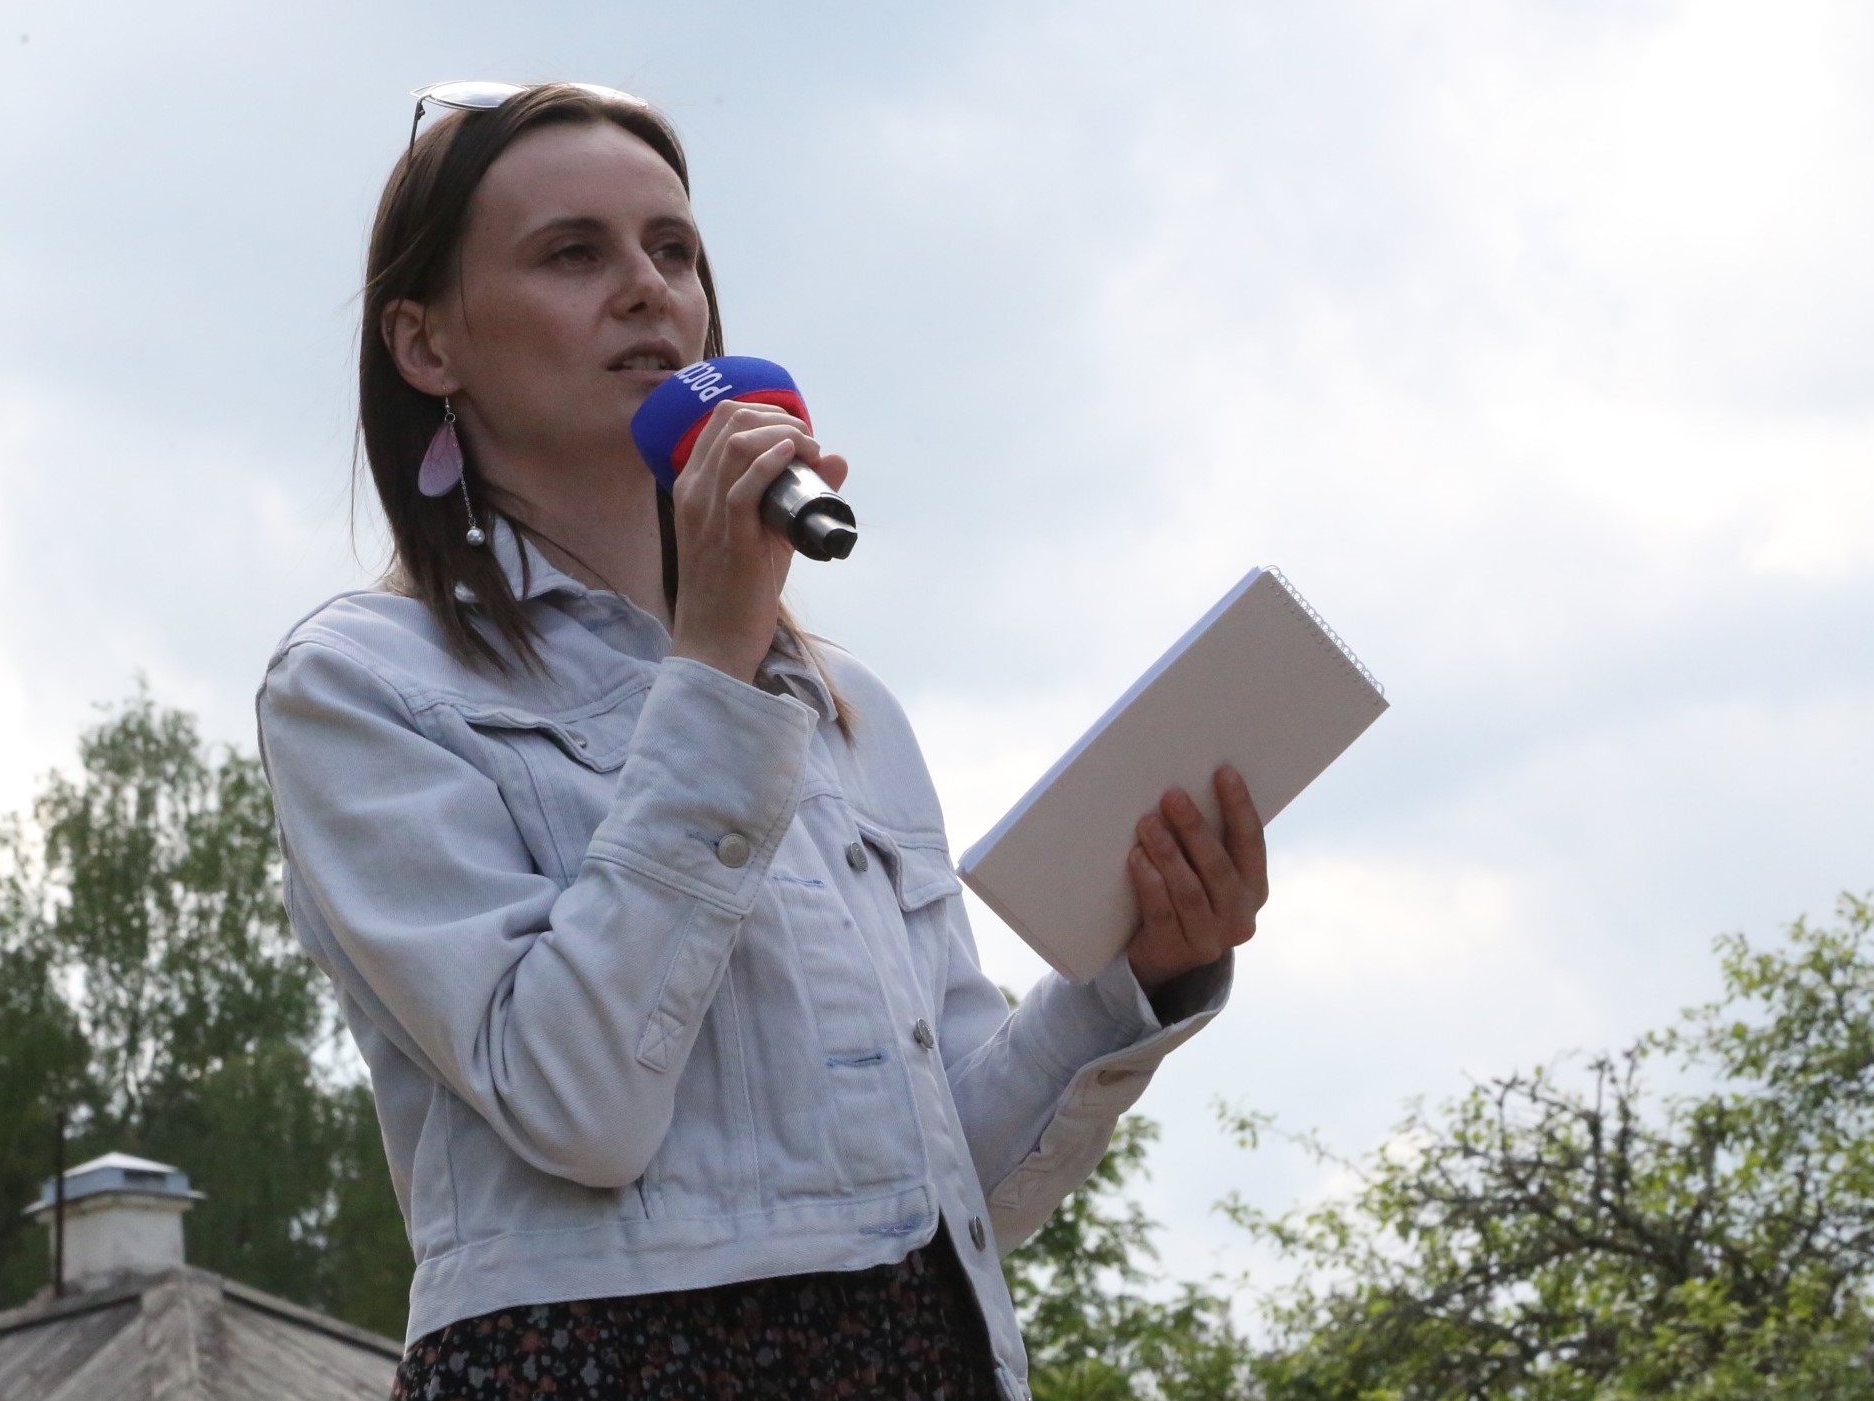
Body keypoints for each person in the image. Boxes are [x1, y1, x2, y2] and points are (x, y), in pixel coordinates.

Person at [255, 81, 1269, 1401]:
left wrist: (1137, 979)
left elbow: (950, 1184)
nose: (647, 289)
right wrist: (716, 663)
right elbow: (578, 1105)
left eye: (674, 250)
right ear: (426, 342)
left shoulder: (845, 706)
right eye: (574, 253)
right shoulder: (362, 683)